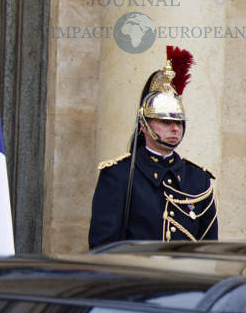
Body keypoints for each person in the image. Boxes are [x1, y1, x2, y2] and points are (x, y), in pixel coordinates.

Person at [89, 49, 217, 249]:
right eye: (165, 121)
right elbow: (103, 247)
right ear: (144, 125)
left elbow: (209, 249)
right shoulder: (119, 175)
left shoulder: (198, 179)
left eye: (179, 122)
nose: (175, 128)